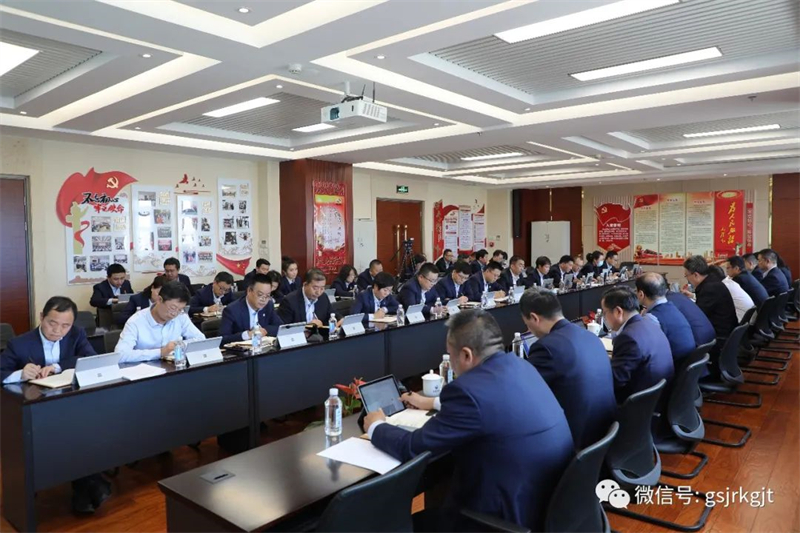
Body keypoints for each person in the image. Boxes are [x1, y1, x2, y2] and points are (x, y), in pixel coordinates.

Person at [364, 310, 574, 531]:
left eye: (450, 355)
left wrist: (377, 426)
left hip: (502, 520)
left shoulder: (467, 392)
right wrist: (433, 402)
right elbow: (494, 404)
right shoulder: (521, 366)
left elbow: (413, 447)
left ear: (466, 355)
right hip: (546, 506)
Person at [0, 298, 111, 514]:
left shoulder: (76, 334)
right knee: (70, 436)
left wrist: (57, 366)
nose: (58, 330)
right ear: (42, 317)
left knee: (87, 430)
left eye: (65, 325)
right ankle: (88, 485)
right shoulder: (20, 343)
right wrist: (20, 374)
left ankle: (85, 486)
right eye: (52, 323)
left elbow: (91, 358)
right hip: (35, 411)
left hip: (71, 405)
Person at [520, 289, 616, 449]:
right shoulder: (590, 336)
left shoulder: (546, 347)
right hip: (605, 432)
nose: (529, 330)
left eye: (526, 324)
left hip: (575, 439)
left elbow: (526, 394)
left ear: (534, 318)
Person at [602, 286, 674, 404]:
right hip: (660, 396)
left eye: (604, 313)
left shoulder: (628, 338)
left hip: (638, 404)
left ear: (618, 312)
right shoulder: (649, 323)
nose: (604, 318)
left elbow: (615, 381)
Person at [115, 281, 204, 363]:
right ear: (159, 300)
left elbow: (201, 339)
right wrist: (160, 352)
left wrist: (180, 345)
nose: (175, 313)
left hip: (173, 368)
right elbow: (120, 355)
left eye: (180, 309)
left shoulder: (181, 316)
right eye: (173, 308)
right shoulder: (136, 321)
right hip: (145, 371)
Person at [636, 273, 695, 363]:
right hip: (685, 364)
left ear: (641, 294)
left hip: (672, 367)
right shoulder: (672, 307)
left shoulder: (651, 318)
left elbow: (642, 349)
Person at [683, 256, 738, 341]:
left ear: (696, 275)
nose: (687, 279)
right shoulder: (712, 282)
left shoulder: (709, 289)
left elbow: (697, 317)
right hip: (726, 332)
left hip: (720, 337)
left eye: (686, 275)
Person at [219, 273, 283, 345]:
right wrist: (247, 335)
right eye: (260, 295)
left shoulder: (268, 305)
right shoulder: (232, 310)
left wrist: (264, 330)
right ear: (249, 291)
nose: (264, 299)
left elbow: (280, 327)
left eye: (267, 296)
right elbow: (222, 339)